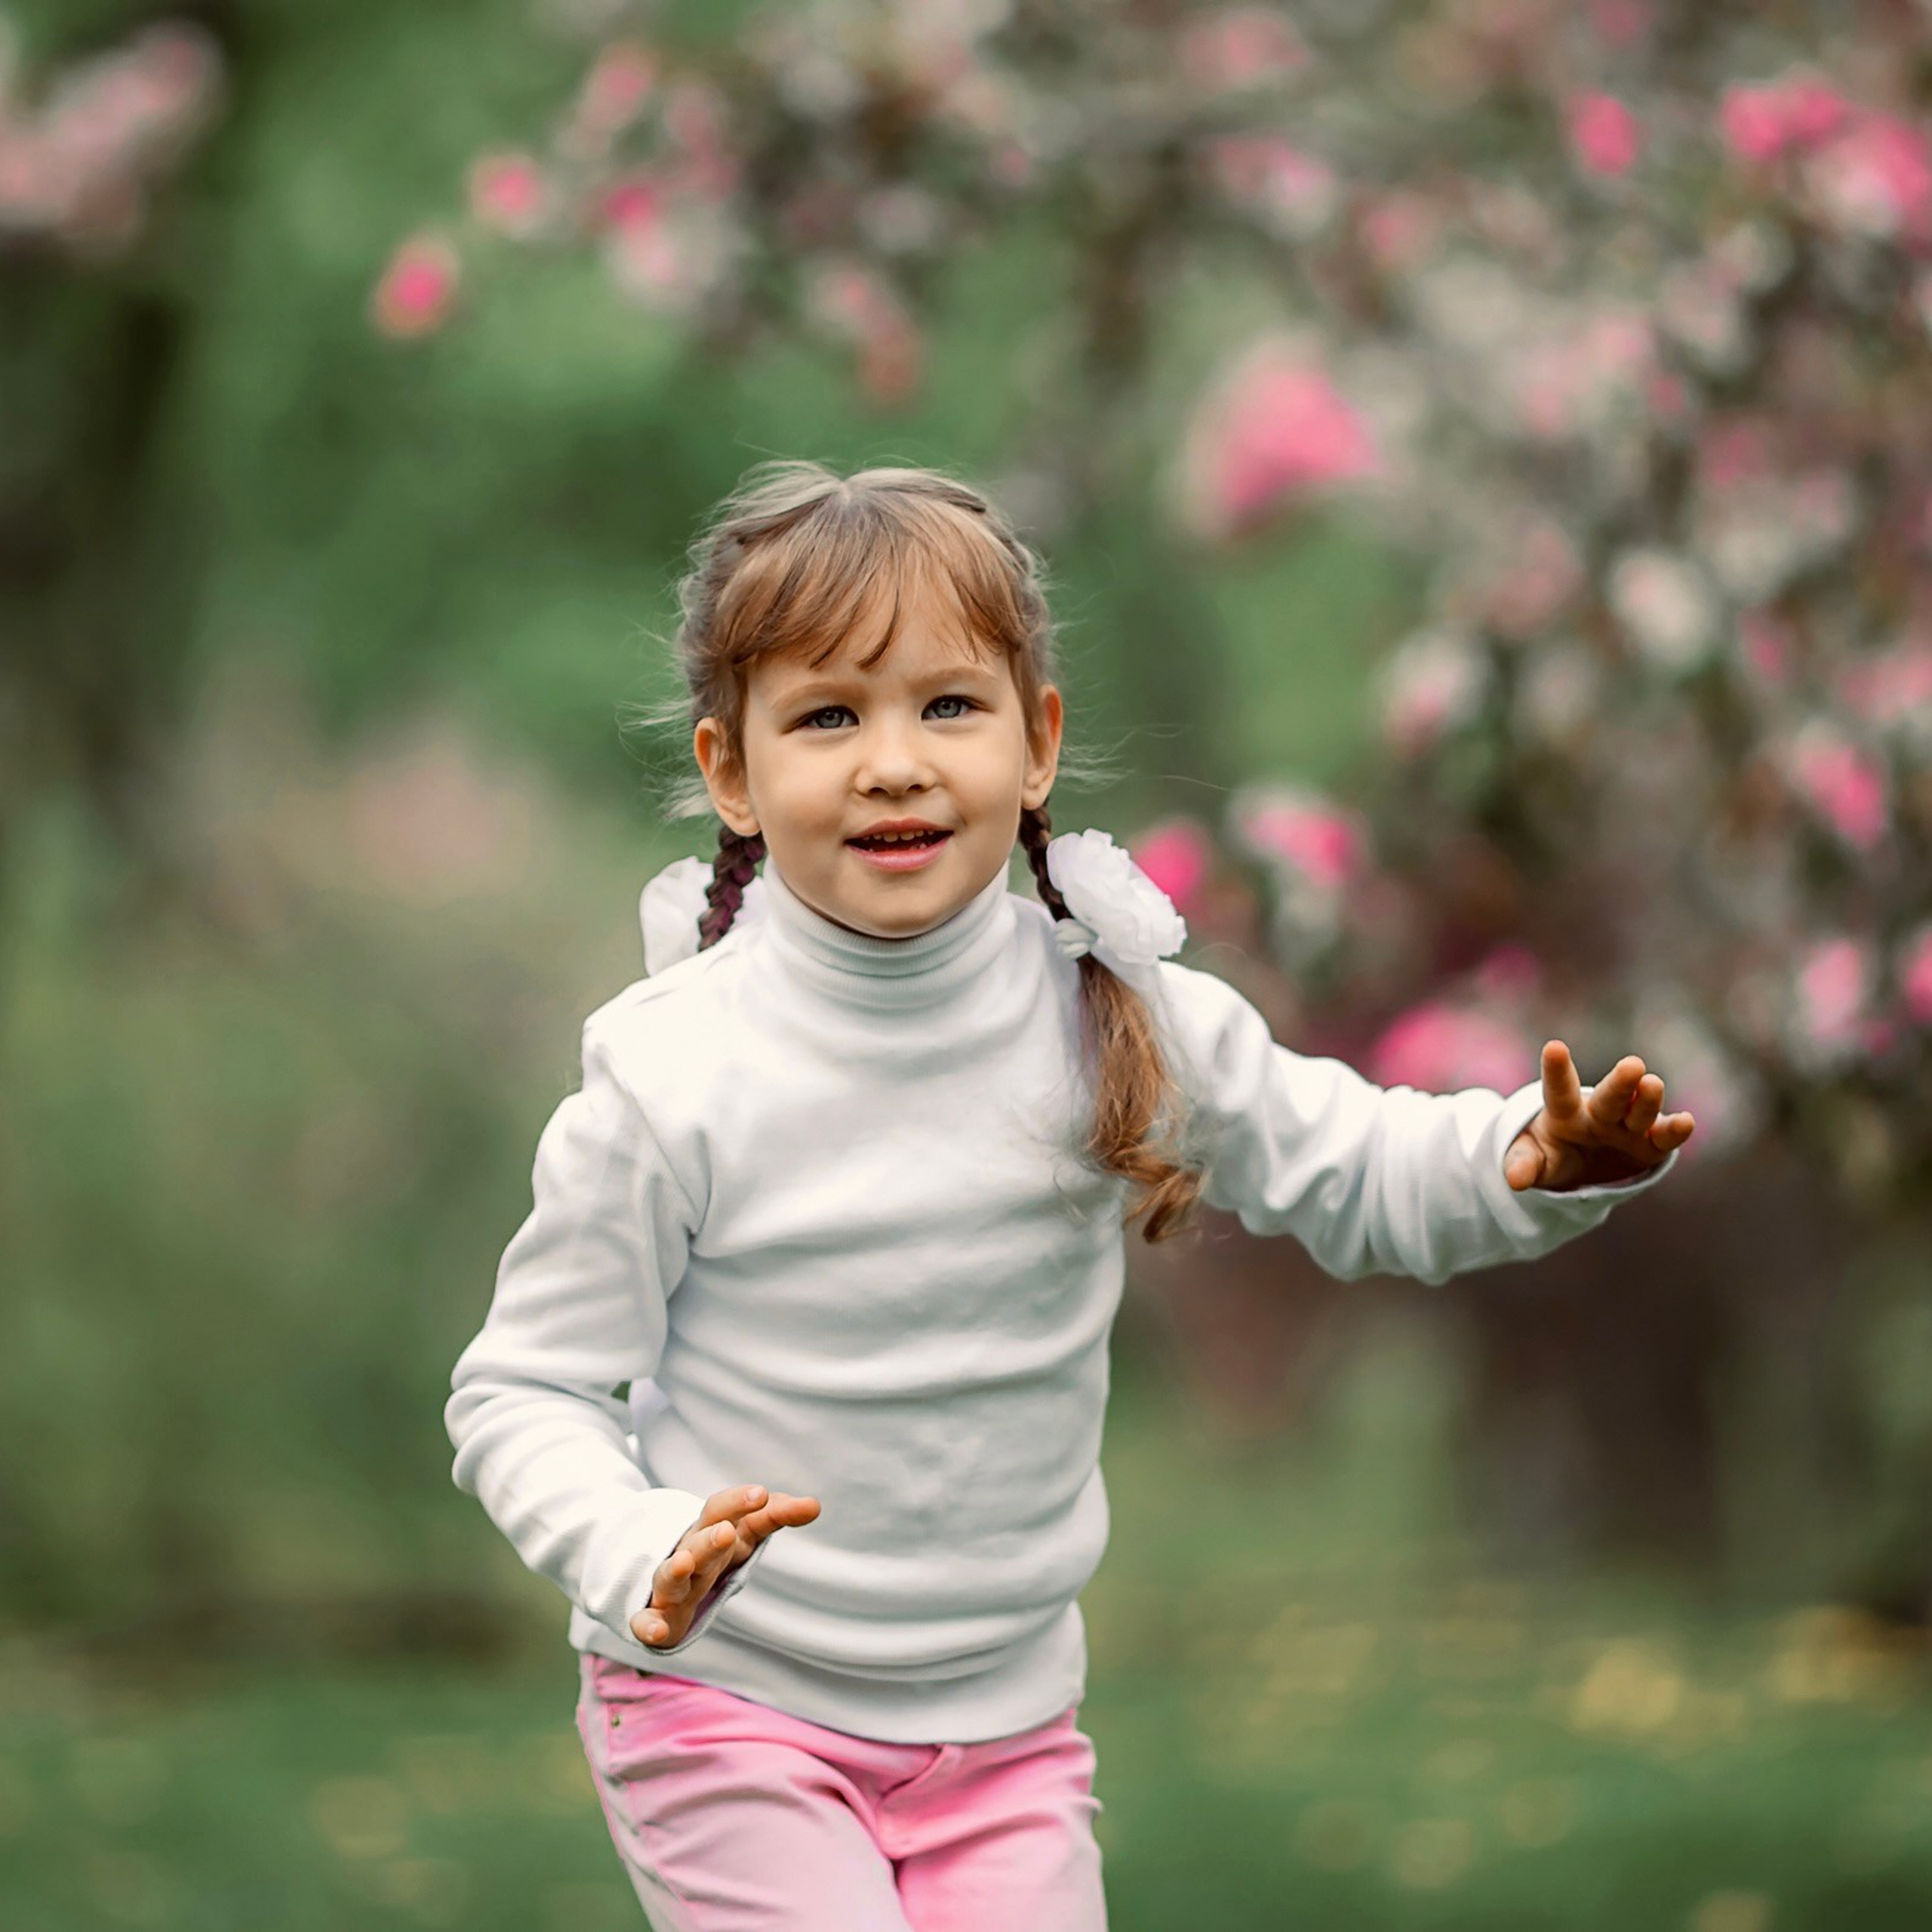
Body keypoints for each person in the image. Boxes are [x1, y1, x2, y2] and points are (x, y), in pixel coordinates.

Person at [444, 459, 1693, 1931]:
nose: (893, 760)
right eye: (828, 715)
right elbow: (520, 1390)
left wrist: (1528, 1162)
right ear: (731, 769)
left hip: (1004, 1735)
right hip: (730, 1711)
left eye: (945, 705)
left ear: (1036, 743)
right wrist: (633, 1539)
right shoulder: (673, 1073)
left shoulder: (1116, 1011)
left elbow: (1346, 1159)